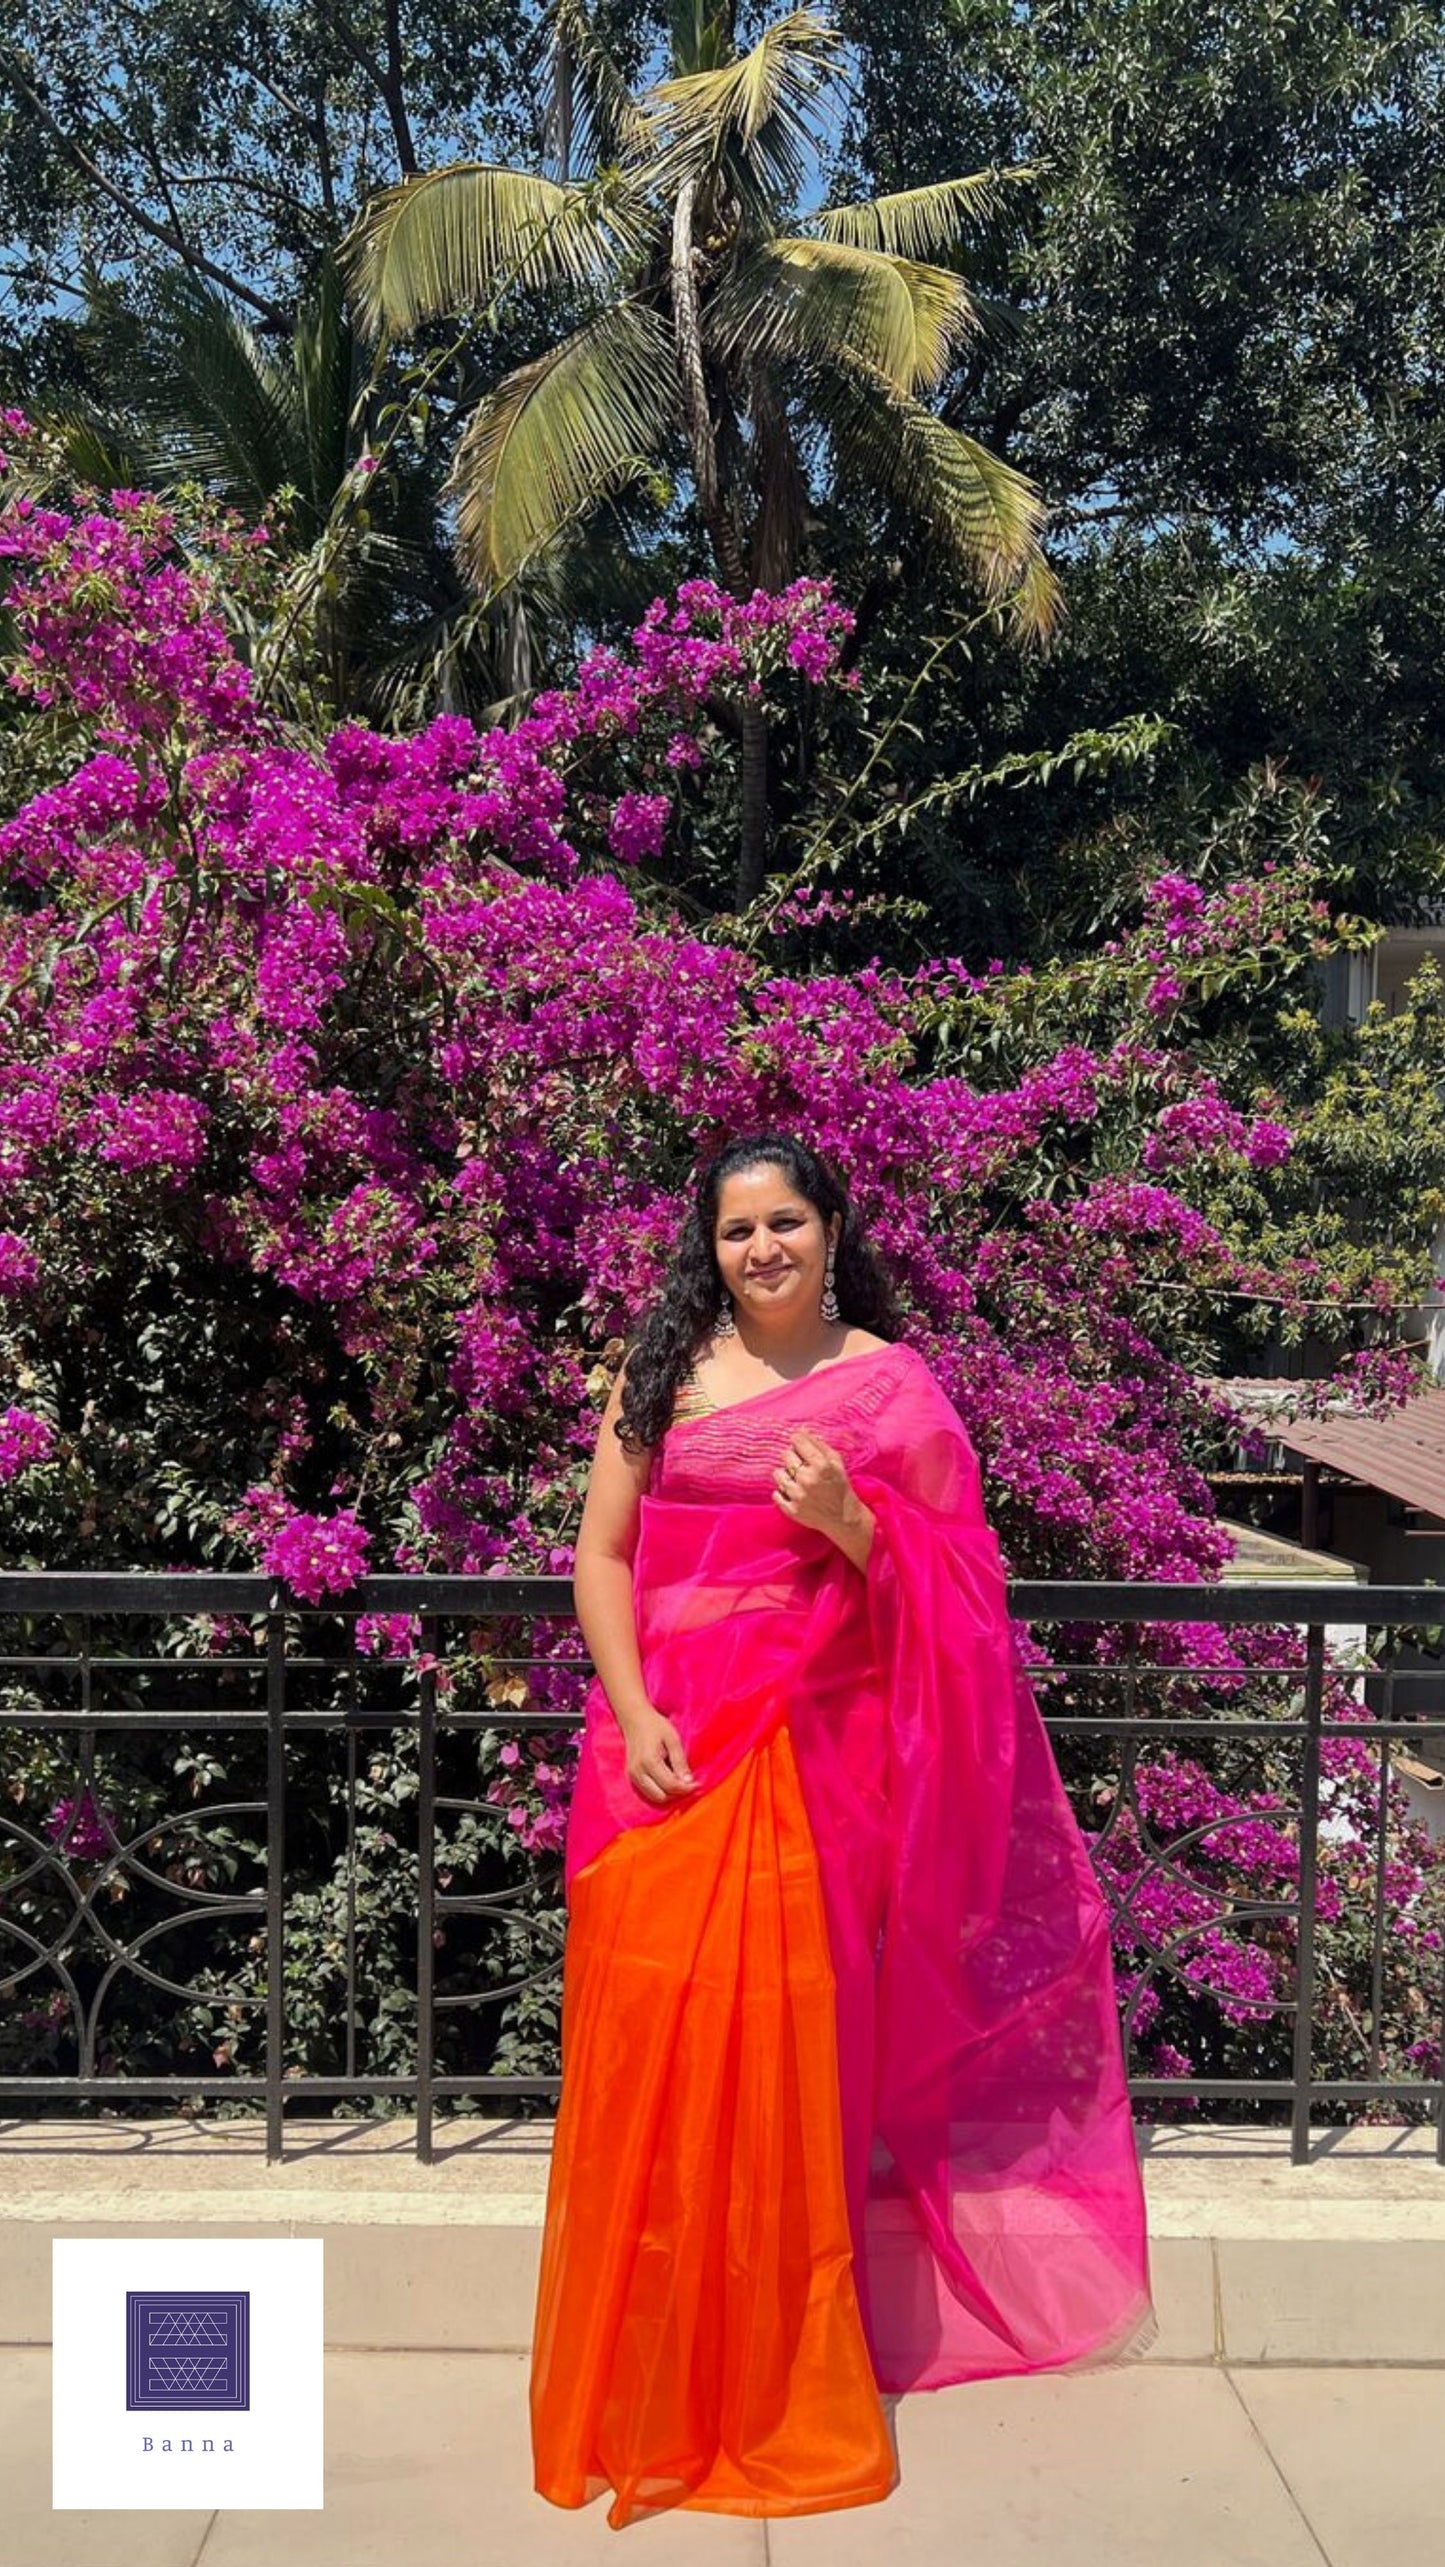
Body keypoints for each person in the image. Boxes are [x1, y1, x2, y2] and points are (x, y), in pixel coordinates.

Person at [529, 1129, 1157, 2529]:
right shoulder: (661, 1378)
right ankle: (646, 2383)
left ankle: (767, 2386)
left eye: (784, 1224)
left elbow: (964, 1596)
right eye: (736, 1229)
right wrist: (631, 1715)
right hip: (663, 1761)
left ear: (830, 1230)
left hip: (812, 1777)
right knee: (653, 2067)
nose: (760, 1250)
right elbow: (601, 1557)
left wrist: (854, 1525)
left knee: (782, 2078)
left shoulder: (891, 1387)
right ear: (712, 1246)